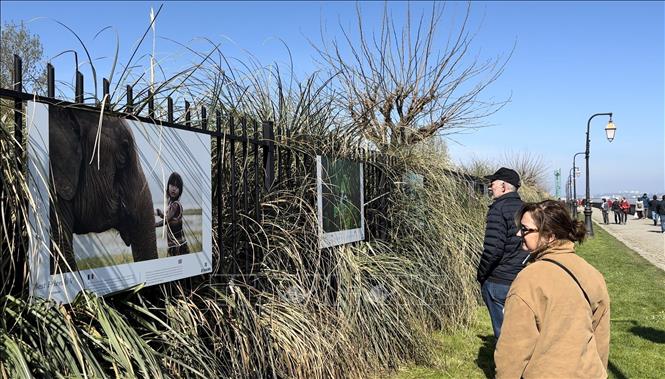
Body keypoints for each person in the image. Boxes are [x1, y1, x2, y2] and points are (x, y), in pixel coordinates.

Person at [495, 200, 610, 379]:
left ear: (549, 236)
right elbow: (601, 339)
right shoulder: (593, 274)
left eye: (525, 229)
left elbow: (513, 352)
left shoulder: (529, 279)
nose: (518, 233)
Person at [477, 167, 529, 339]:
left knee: (504, 336)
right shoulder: (526, 209)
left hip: (499, 280)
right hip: (522, 278)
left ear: (504, 186)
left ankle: (507, 365)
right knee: (522, 332)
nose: (490, 187)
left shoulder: (498, 209)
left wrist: (481, 276)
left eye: (492, 184)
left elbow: (493, 250)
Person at [155, 172, 190, 256]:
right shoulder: (171, 203)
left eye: (177, 187)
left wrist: (153, 225)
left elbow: (166, 220)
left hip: (178, 246)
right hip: (174, 244)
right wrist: (161, 214)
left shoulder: (176, 205)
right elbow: (168, 218)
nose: (174, 189)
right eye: (171, 185)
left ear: (180, 190)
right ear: (168, 187)